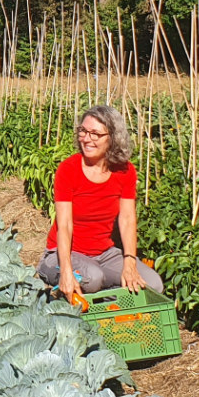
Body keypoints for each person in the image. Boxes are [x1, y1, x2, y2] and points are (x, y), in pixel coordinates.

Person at [37, 105, 164, 299]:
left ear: (112, 138)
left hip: (105, 254)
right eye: (83, 131)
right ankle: (66, 284)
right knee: (93, 278)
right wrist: (66, 270)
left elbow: (127, 219)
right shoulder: (68, 170)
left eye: (95, 134)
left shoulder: (125, 171)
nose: (87, 138)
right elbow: (64, 225)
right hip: (65, 253)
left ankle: (104, 297)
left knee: (153, 285)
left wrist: (129, 261)